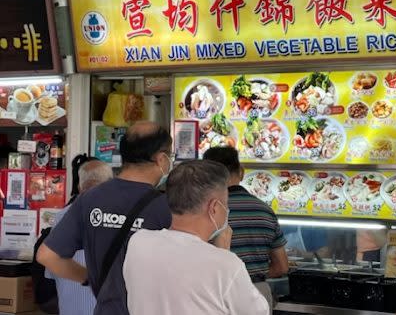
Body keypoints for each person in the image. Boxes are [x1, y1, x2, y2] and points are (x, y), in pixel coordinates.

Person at [37, 121, 173, 315]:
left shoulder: (89, 198)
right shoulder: (166, 207)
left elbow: (47, 256)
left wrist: (89, 278)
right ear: (161, 159)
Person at [123, 160, 269, 315]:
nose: (226, 210)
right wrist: (223, 253)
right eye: (225, 204)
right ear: (214, 207)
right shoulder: (226, 265)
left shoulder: (139, 242)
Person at [203, 147, 288, 313]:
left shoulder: (206, 211)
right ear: (241, 172)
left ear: (208, 176)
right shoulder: (264, 210)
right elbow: (282, 267)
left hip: (216, 294)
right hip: (258, 292)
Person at [47, 159, 113, 315]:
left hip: (69, 309)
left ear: (79, 186)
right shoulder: (115, 217)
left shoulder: (61, 217)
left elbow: (51, 269)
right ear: (110, 185)